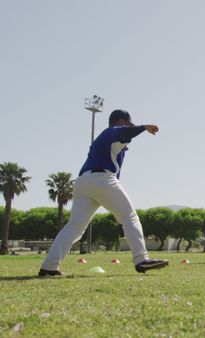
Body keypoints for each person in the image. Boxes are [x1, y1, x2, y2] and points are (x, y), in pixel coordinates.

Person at [39, 110, 169, 276]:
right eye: (128, 123)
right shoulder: (112, 131)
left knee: (74, 227)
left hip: (83, 183)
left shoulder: (111, 142)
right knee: (129, 216)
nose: (129, 127)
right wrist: (143, 127)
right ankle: (141, 259)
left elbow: (120, 140)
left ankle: (49, 266)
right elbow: (123, 132)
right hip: (101, 178)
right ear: (120, 121)